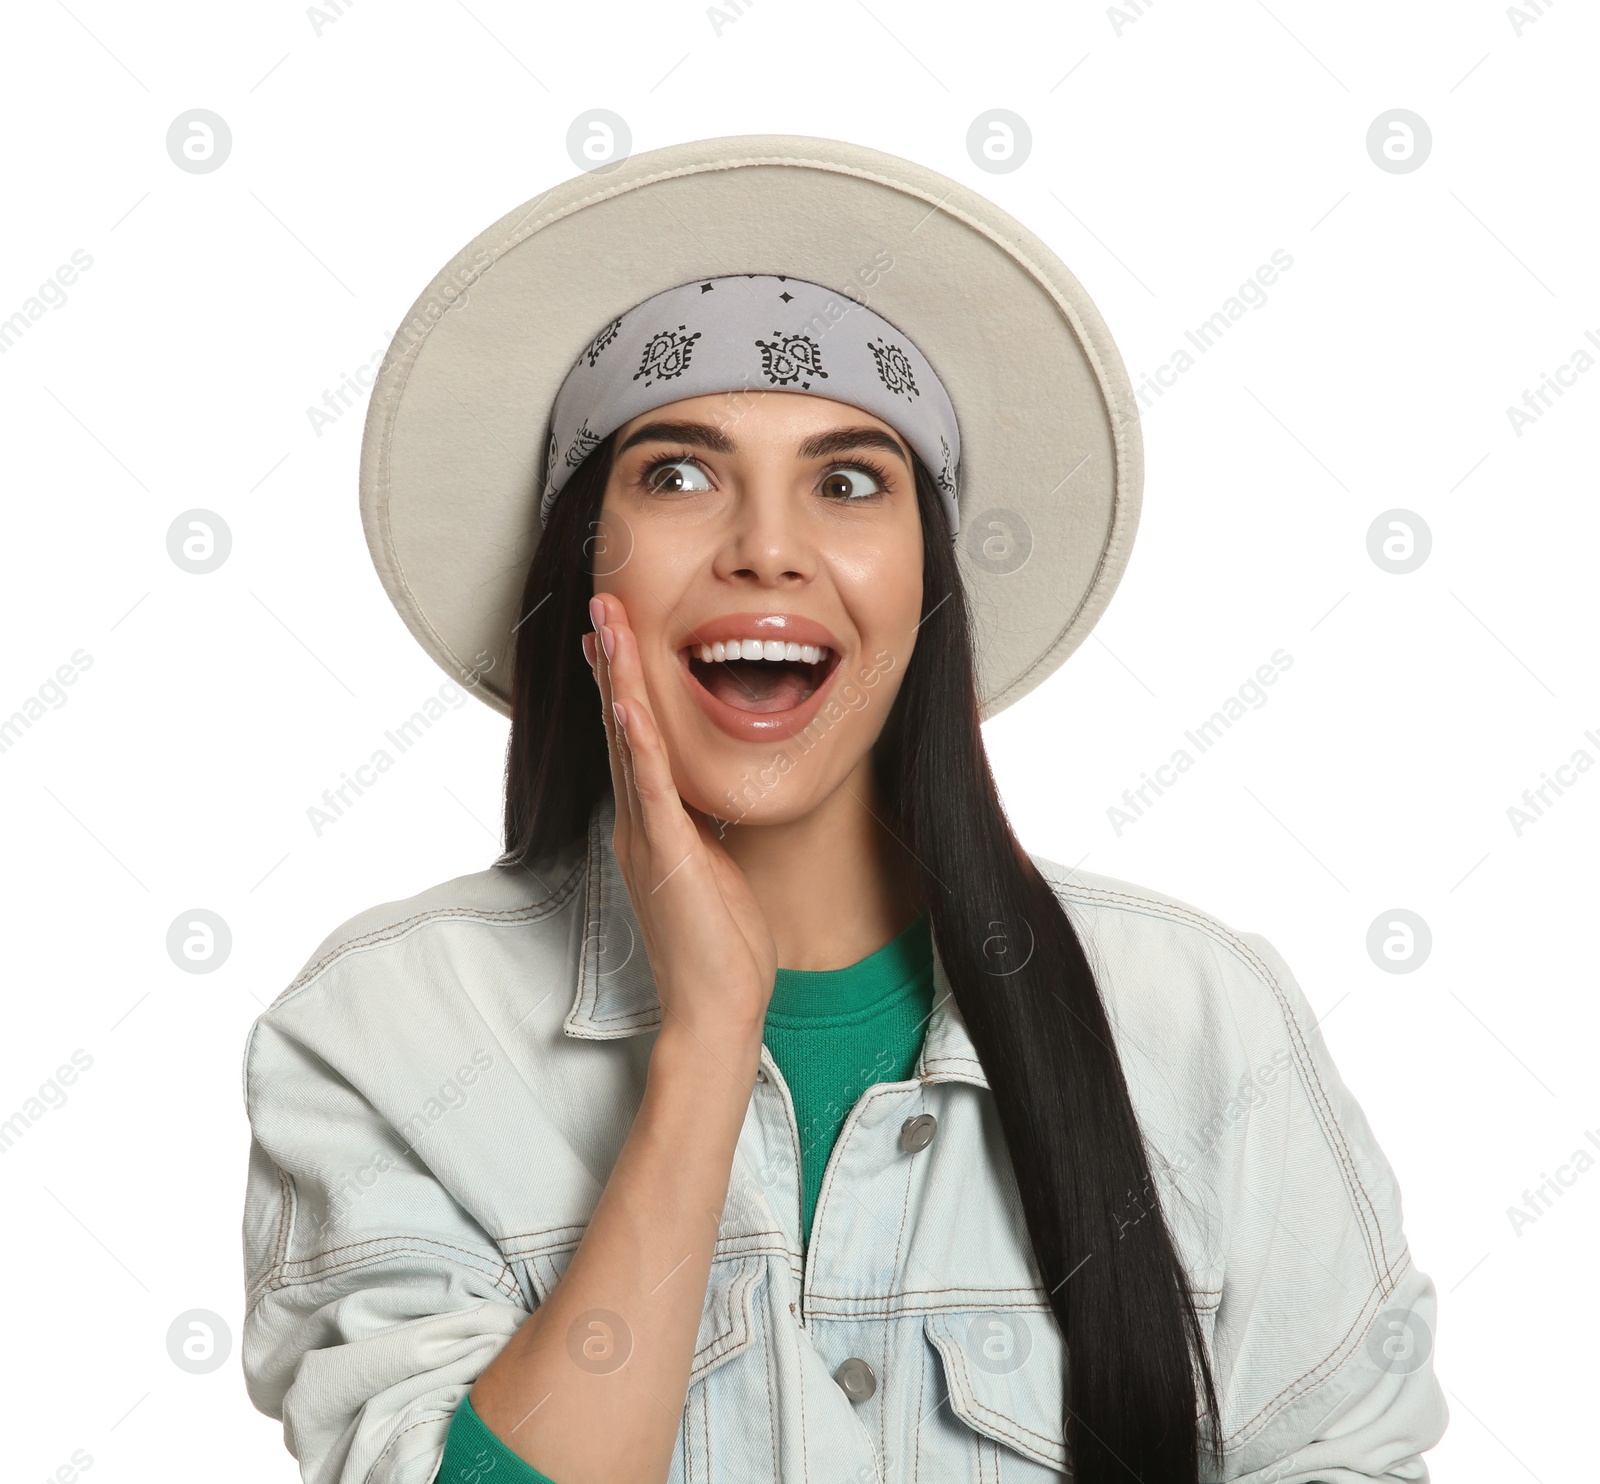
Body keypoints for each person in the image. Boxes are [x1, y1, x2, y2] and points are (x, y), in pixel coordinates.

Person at [240, 136, 1448, 1484]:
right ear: (585, 572)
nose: (767, 544)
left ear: (929, 583)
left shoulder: (1199, 1018)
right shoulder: (388, 1032)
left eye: (851, 480)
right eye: (679, 476)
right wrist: (705, 1045)